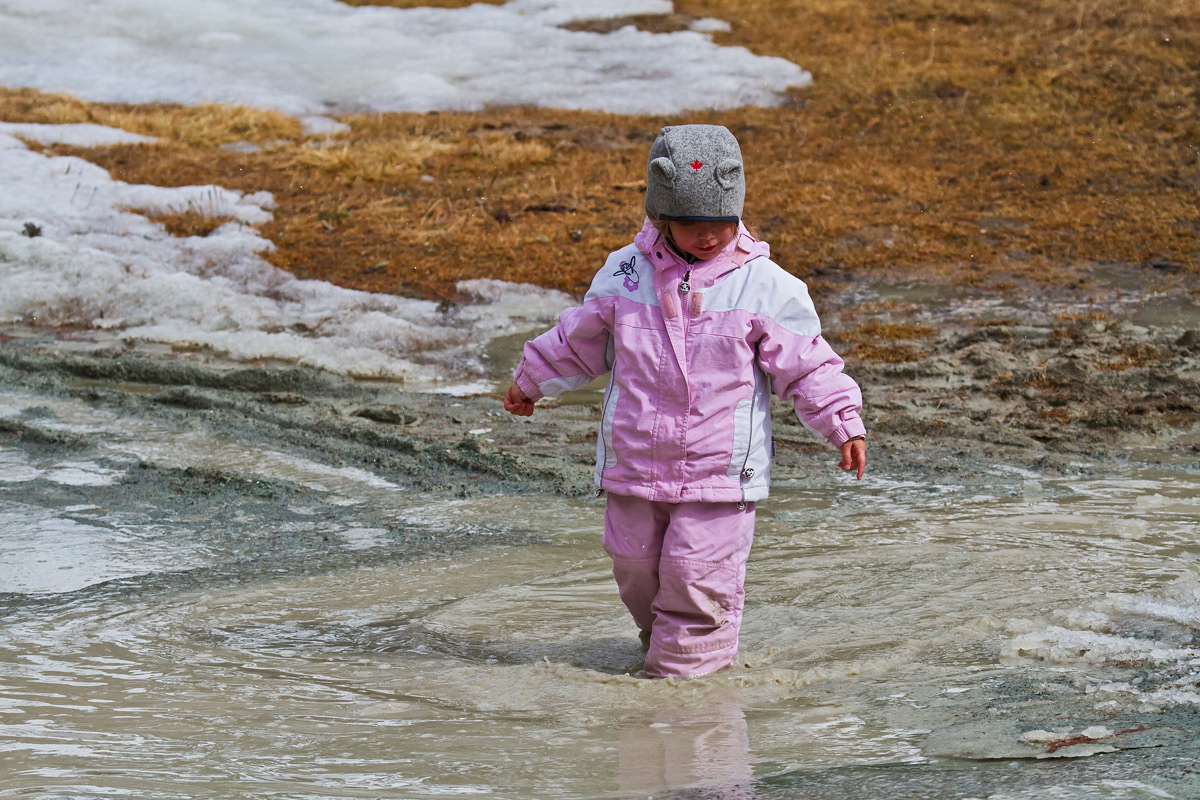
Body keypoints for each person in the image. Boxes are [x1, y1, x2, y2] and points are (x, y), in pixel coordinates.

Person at [503, 124, 866, 679]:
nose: (709, 237)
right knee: (635, 569)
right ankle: (665, 650)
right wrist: (533, 378)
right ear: (661, 217)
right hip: (635, 461)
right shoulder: (627, 274)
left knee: (696, 577)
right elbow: (580, 338)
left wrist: (843, 422)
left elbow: (807, 361)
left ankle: (682, 691)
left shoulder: (764, 286)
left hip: (719, 472)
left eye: (722, 223)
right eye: (693, 225)